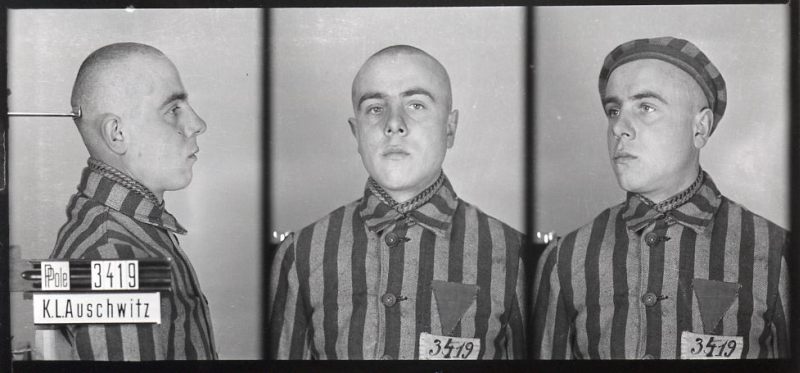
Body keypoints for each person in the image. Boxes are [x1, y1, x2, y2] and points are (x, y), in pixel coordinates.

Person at [532, 36, 789, 360]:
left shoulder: (776, 252)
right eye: (613, 110)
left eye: (646, 107)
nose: (618, 128)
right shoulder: (565, 258)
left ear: (701, 128)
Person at [269, 45, 526, 360]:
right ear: (356, 132)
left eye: (416, 105)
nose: (393, 123)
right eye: (375, 108)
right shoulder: (301, 253)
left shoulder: (512, 254)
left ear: (450, 127)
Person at [35, 42, 216, 360]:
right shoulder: (113, 258)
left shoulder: (131, 229)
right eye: (173, 110)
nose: (197, 124)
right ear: (117, 134)